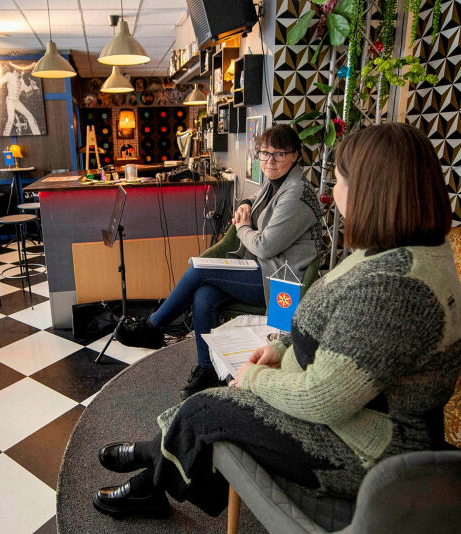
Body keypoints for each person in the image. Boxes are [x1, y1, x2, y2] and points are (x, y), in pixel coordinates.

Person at [92, 122, 461, 519]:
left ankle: (152, 475)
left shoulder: (394, 289)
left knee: (209, 408)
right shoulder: (393, 254)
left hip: (364, 450)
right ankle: (157, 462)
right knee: (214, 395)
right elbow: (330, 319)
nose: (332, 194)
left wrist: (254, 377)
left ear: (372, 191)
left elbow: (321, 398)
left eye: (338, 181)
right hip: (352, 418)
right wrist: (282, 347)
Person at [116, 124, 324, 398]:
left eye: (279, 154)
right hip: (264, 270)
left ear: (295, 155)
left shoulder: (296, 193)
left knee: (198, 271)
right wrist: (246, 203)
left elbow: (265, 245)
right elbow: (257, 199)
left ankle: (154, 326)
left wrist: (242, 228)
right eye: (264, 153)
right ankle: (207, 370)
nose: (269, 161)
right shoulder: (276, 183)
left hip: (282, 281)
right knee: (203, 293)